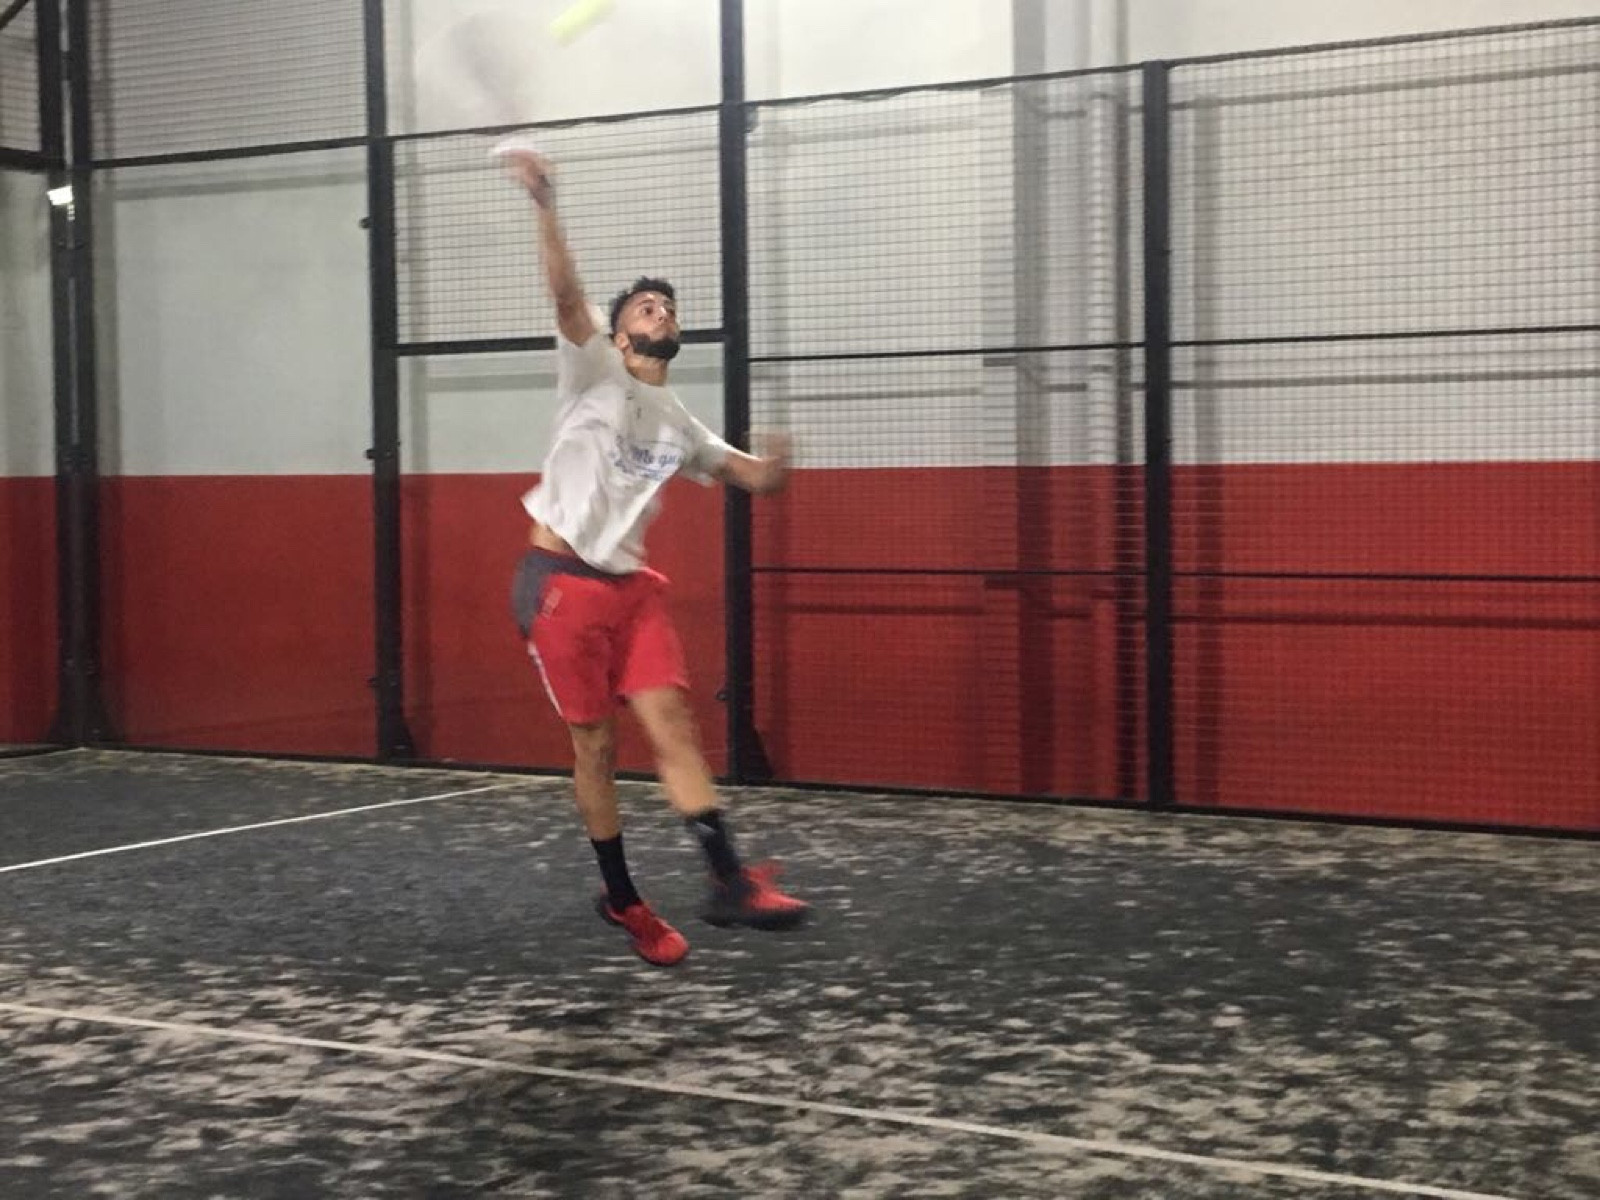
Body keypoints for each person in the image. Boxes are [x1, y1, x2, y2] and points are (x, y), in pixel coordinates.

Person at [502, 147, 808, 967]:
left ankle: (728, 882)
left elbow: (752, 477)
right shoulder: (593, 371)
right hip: (560, 585)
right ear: (619, 331)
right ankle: (624, 897)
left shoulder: (680, 422)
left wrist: (779, 464)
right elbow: (565, 294)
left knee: (674, 723)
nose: (660, 311)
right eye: (645, 305)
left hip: (631, 590)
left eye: (668, 306)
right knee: (597, 748)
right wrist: (545, 203)